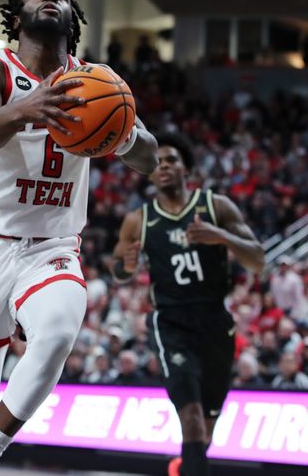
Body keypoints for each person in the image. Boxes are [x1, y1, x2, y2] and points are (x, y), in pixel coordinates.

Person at [0, 0, 157, 476]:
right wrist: (27, 109)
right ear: (17, 17)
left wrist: (118, 135)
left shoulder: (97, 82)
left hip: (52, 246)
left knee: (59, 330)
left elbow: (149, 155)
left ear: (72, 19)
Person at [111, 132, 264, 476]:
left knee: (206, 427)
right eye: (158, 162)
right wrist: (127, 266)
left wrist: (221, 236)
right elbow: (118, 270)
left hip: (213, 321)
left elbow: (257, 260)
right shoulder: (139, 220)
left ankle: (186, 465)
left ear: (186, 169)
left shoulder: (216, 206)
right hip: (170, 323)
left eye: (171, 160)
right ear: (149, 173)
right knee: (191, 419)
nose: (163, 166)